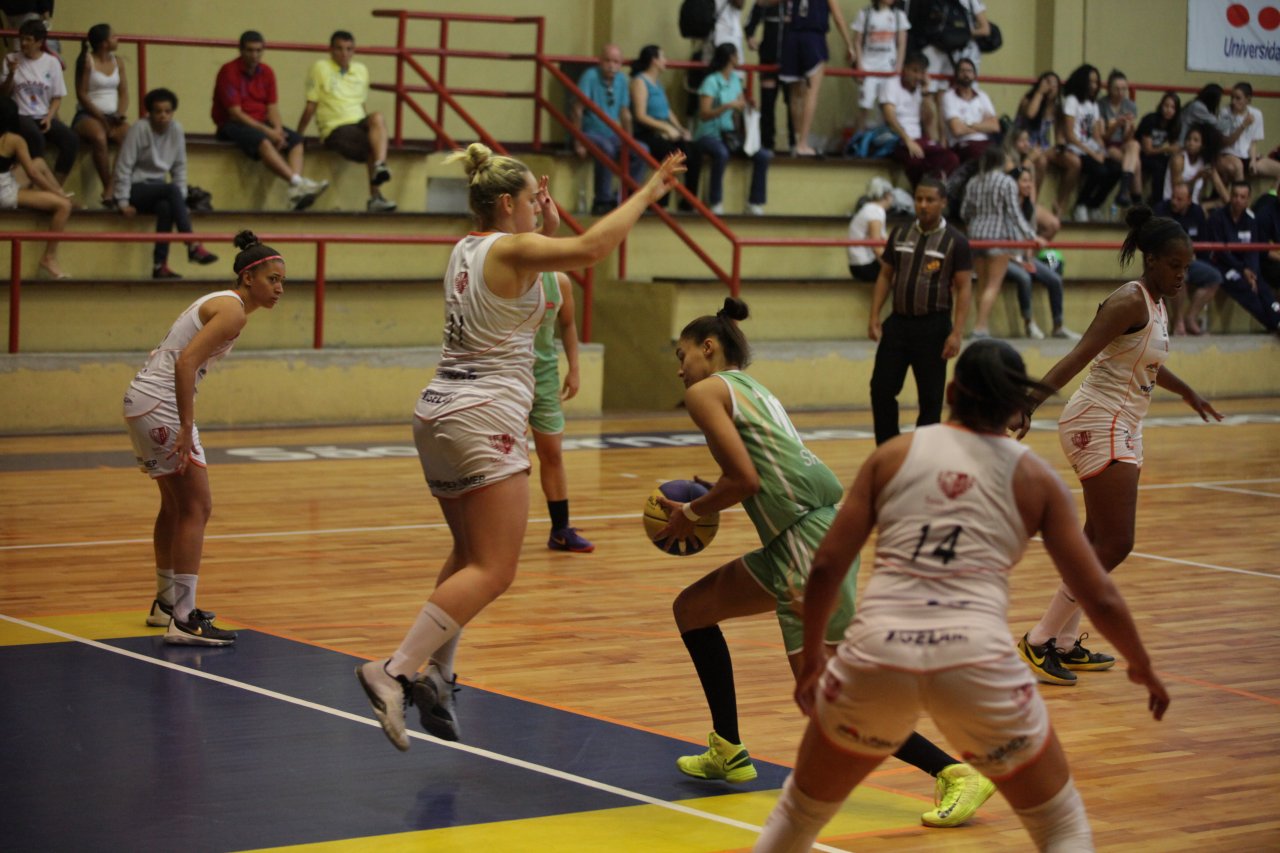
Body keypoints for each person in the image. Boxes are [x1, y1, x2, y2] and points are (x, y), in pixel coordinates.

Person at [750, 339, 1171, 853]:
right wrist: (1142, 666)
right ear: (1016, 406)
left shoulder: (894, 456)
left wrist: (815, 658)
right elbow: (1098, 595)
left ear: (950, 391)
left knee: (797, 817)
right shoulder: (1035, 478)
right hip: (978, 662)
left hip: (880, 655)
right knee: (1062, 829)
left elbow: (825, 570)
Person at [355, 146, 686, 752]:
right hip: (482, 416)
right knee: (496, 569)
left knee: (467, 552)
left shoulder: (467, 248)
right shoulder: (511, 250)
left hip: (438, 413)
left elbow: (528, 283)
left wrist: (544, 229)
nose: (541, 205)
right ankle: (395, 670)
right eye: (533, 198)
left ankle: (439, 674)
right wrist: (649, 191)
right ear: (507, 203)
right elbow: (589, 253)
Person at [658, 297, 995, 828]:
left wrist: (693, 512)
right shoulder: (752, 387)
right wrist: (713, 490)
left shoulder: (703, 392)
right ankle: (727, 747)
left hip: (804, 541)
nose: (679, 368)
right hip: (795, 536)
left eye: (682, 354)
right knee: (692, 610)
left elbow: (745, 479)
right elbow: (760, 470)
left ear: (708, 347)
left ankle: (955, 772)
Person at [1014, 206, 1223, 686]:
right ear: (1150, 260)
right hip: (1098, 419)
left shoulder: (1157, 301)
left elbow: (1147, 362)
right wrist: (1028, 403)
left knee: (1095, 541)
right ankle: (1039, 639)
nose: (1182, 275)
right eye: (1175, 266)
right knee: (1116, 542)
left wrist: (1187, 391)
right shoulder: (1128, 300)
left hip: (1123, 421)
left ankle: (1064, 642)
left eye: (1187, 267)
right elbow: (1079, 355)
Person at [123, 230, 286, 646]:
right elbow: (186, 364)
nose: (279, 288)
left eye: (283, 281)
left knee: (176, 506)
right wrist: (184, 424)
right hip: (161, 404)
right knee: (198, 505)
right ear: (249, 278)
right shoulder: (232, 311)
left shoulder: (224, 304)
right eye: (272, 279)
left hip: (141, 399)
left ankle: (165, 604)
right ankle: (183, 617)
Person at [868, 176, 971, 445]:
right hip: (898, 324)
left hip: (934, 328)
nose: (923, 205)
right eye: (918, 199)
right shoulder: (900, 233)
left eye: (930, 200)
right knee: (881, 388)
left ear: (943, 203)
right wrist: (874, 315)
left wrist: (957, 333)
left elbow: (964, 289)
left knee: (930, 398)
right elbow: (885, 275)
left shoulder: (956, 241)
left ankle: (923, 454)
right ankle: (887, 448)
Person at [529, 188, 593, 553]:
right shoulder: (508, 268)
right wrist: (549, 225)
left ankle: (560, 529)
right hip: (504, 375)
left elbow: (567, 325)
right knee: (504, 458)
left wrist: (574, 368)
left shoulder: (560, 281)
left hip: (544, 373)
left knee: (552, 453)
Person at [212, 30, 328, 211]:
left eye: (259, 51)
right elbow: (235, 113)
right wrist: (269, 133)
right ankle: (298, 182)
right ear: (241, 50)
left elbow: (272, 106)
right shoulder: (228, 72)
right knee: (263, 141)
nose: (254, 55)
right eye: (250, 50)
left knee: (296, 141)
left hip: (262, 123)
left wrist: (278, 130)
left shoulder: (267, 72)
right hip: (232, 124)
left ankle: (295, 191)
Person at [113, 88, 219, 279]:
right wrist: (122, 201)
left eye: (167, 111)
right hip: (136, 189)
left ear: (172, 113)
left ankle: (159, 265)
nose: (163, 116)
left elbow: (180, 167)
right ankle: (192, 244)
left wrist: (181, 203)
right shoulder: (139, 129)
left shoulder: (176, 130)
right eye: (158, 111)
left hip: (160, 190)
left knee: (166, 207)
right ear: (150, 113)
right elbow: (124, 165)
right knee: (171, 190)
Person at [296, 30, 395, 213]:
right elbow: (311, 105)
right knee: (370, 144)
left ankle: (380, 165)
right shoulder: (320, 68)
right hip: (335, 128)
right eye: (340, 49)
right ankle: (375, 197)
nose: (344, 53)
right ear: (331, 50)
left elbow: (362, 104)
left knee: (378, 118)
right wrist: (298, 134)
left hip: (357, 122)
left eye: (349, 49)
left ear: (354, 51)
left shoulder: (361, 70)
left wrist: (370, 127)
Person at [965, 145, 1044, 339]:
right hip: (998, 237)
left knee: (982, 284)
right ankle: (980, 327)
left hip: (975, 237)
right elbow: (1014, 213)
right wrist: (1031, 236)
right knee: (993, 285)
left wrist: (975, 225)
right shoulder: (1006, 182)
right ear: (1000, 162)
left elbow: (965, 211)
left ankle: (981, 326)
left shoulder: (974, 181)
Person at [692, 43, 771, 215]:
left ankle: (755, 202)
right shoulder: (711, 81)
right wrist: (726, 106)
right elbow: (704, 114)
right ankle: (715, 202)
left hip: (729, 134)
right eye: (737, 55)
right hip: (708, 134)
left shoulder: (735, 80)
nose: (739, 58)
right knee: (721, 153)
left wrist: (749, 104)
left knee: (763, 155)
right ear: (730, 58)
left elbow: (740, 104)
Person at [572, 44, 648, 215]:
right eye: (607, 61)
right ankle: (602, 199)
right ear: (600, 61)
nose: (611, 65)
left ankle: (626, 196)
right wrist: (578, 142)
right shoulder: (590, 76)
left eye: (616, 61)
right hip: (589, 133)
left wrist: (629, 141)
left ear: (621, 64)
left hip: (613, 134)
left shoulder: (622, 80)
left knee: (642, 150)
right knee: (606, 148)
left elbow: (625, 114)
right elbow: (577, 109)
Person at [0, 96, 71, 278]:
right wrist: (55, 193)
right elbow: (32, 174)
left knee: (39, 162)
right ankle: (49, 257)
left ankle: (62, 193)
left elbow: (34, 168)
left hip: (4, 181)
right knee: (63, 206)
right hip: (4, 193)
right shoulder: (14, 140)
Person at [0, 19, 76, 185]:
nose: (23, 43)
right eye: (21, 39)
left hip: (43, 114)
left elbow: (57, 97)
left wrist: (49, 117)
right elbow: (4, 95)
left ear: (40, 42)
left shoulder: (52, 62)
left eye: (28, 39)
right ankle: (36, 184)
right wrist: (12, 73)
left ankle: (55, 185)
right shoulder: (11, 59)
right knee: (36, 137)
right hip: (19, 114)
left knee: (70, 139)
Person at [1005, 167, 1076, 340]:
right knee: (1024, 277)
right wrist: (1019, 261)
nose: (1029, 185)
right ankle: (1029, 324)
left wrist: (1028, 258)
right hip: (1004, 257)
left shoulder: (1030, 208)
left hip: (1023, 256)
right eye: (1024, 181)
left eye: (1030, 181)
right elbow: (1000, 242)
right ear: (1012, 184)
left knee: (1055, 279)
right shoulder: (1004, 207)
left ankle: (1058, 326)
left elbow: (1030, 237)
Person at [778, 0, 854, 157]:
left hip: (791, 36)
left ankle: (796, 140)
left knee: (795, 94)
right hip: (813, 37)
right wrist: (849, 44)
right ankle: (803, 143)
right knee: (811, 92)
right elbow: (838, 17)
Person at [1207, 181, 1280, 334]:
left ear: (1248, 199)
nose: (1238, 200)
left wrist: (1251, 270)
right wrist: (1242, 269)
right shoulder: (1217, 217)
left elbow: (1253, 250)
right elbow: (1222, 252)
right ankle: (1272, 324)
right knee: (1245, 288)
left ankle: (1277, 319)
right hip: (1224, 266)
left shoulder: (1251, 219)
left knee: (1262, 287)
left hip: (1246, 266)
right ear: (1230, 197)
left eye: (1242, 197)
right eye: (1235, 196)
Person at [880, 52, 958, 186]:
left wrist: (926, 93)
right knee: (915, 161)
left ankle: (933, 190)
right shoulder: (891, 84)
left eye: (922, 72)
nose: (918, 76)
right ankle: (920, 192)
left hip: (919, 138)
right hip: (896, 138)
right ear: (905, 69)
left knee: (951, 159)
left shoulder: (920, 90)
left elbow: (928, 120)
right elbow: (889, 117)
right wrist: (907, 140)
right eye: (914, 71)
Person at [1155, 182, 1223, 335]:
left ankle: (1191, 318)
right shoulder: (1161, 210)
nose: (1174, 201)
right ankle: (1178, 321)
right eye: (1173, 197)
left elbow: (1203, 241)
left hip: (1190, 261)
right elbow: (1154, 241)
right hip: (1167, 261)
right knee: (1180, 276)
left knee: (1215, 277)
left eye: (1179, 199)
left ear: (1189, 200)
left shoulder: (1197, 212)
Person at [72, 23, 127, 208]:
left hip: (112, 116)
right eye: (114, 37)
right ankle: (107, 188)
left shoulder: (118, 61)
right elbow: (81, 93)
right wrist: (101, 118)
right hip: (87, 114)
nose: (118, 39)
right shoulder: (87, 60)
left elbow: (124, 93)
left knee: (131, 137)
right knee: (99, 137)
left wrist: (119, 113)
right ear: (104, 43)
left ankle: (111, 188)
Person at [629, 44, 694, 199]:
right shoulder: (639, 82)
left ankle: (689, 201)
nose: (666, 60)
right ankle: (660, 201)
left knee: (690, 152)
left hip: (663, 131)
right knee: (669, 155)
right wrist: (665, 128)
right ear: (654, 60)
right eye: (663, 57)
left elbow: (667, 110)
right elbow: (640, 115)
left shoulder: (657, 83)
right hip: (646, 132)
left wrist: (680, 129)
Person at [1060, 64, 1121, 223]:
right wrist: (1093, 154)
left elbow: (1096, 134)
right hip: (1075, 148)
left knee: (1115, 169)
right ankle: (1080, 205)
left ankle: (1094, 205)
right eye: (1091, 82)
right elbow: (1069, 135)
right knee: (1099, 170)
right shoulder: (1072, 101)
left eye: (1096, 82)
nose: (1094, 86)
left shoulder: (1093, 105)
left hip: (1090, 147)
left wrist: (1102, 151)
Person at [849, 0, 909, 133]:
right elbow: (857, 42)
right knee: (864, 106)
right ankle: (857, 142)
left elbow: (902, 44)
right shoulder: (865, 14)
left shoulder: (899, 16)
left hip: (889, 68)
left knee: (888, 107)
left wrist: (898, 69)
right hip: (868, 67)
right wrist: (860, 66)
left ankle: (887, 141)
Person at [745, 0, 792, 152]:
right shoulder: (765, 3)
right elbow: (750, 23)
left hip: (792, 64)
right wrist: (750, 37)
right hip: (768, 60)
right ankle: (767, 145)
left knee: (793, 105)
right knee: (767, 104)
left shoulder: (797, 5)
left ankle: (794, 142)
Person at [1216, 82, 1280, 183]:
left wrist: (1253, 160)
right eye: (1232, 97)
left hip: (1247, 154)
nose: (1233, 102)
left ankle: (1272, 196)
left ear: (1248, 100)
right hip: (1229, 153)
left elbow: (1253, 142)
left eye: (1238, 98)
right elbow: (1226, 142)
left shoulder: (1256, 114)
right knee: (1238, 166)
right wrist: (1243, 126)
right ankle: (1240, 194)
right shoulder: (1225, 113)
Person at [1014, 71, 1064, 196]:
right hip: (1022, 143)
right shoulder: (1028, 100)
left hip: (1042, 145)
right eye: (1048, 83)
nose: (1051, 87)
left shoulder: (1057, 107)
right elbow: (1031, 114)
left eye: (1055, 84)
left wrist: (1059, 148)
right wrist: (1040, 93)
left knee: (1073, 161)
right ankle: (1031, 200)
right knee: (1041, 161)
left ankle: (1059, 204)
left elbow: (1059, 137)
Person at [941, 58, 998, 165]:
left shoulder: (982, 96)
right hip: (962, 144)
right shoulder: (949, 96)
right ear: (956, 74)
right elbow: (957, 130)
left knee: (1002, 157)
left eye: (969, 71)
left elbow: (995, 126)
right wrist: (983, 127)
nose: (966, 74)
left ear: (974, 75)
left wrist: (968, 124)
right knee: (980, 156)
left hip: (985, 143)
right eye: (962, 71)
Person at [1098, 69, 1140, 207]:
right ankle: (1136, 201)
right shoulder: (1101, 105)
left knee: (1134, 145)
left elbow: (1128, 138)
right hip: (1107, 145)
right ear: (1109, 89)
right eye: (1116, 89)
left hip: (1123, 144)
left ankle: (1124, 191)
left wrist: (1129, 127)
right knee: (1137, 164)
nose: (1120, 92)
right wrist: (1116, 124)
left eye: (1124, 89)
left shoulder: (1130, 105)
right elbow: (1103, 137)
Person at [1135, 91, 1180, 205]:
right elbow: (1147, 150)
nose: (1168, 110)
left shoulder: (1174, 125)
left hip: (1158, 156)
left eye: (1172, 107)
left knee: (1173, 164)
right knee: (1159, 167)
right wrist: (1166, 149)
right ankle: (1157, 202)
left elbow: (1174, 146)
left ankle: (1168, 200)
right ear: (1161, 106)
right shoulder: (1150, 120)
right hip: (1140, 155)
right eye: (1166, 106)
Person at [847, 175, 893, 282]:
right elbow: (876, 247)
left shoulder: (869, 209)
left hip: (859, 264)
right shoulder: (875, 211)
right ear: (887, 195)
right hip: (864, 265)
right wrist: (890, 268)